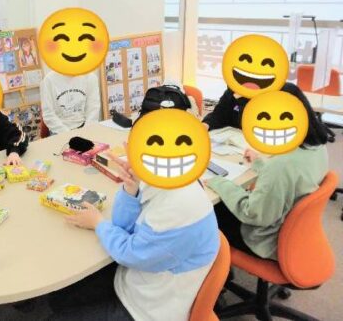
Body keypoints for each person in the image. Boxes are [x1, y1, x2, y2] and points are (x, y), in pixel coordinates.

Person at [48, 157, 219, 321]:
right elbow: (123, 227)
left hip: (146, 310)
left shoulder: (181, 205)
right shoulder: (165, 179)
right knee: (59, 298)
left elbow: (131, 254)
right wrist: (131, 188)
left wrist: (98, 223)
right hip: (134, 280)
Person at [206, 83, 329, 260]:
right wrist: (261, 164)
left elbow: (253, 214)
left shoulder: (281, 164)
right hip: (292, 228)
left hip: (265, 239)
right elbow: (288, 178)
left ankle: (219, 268)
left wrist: (219, 182)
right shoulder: (316, 146)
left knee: (208, 211)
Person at [40, 70, 101, 134]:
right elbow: (48, 113)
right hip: (58, 131)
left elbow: (93, 108)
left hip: (83, 127)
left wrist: (86, 131)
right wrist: (68, 134)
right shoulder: (49, 79)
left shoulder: (90, 77)